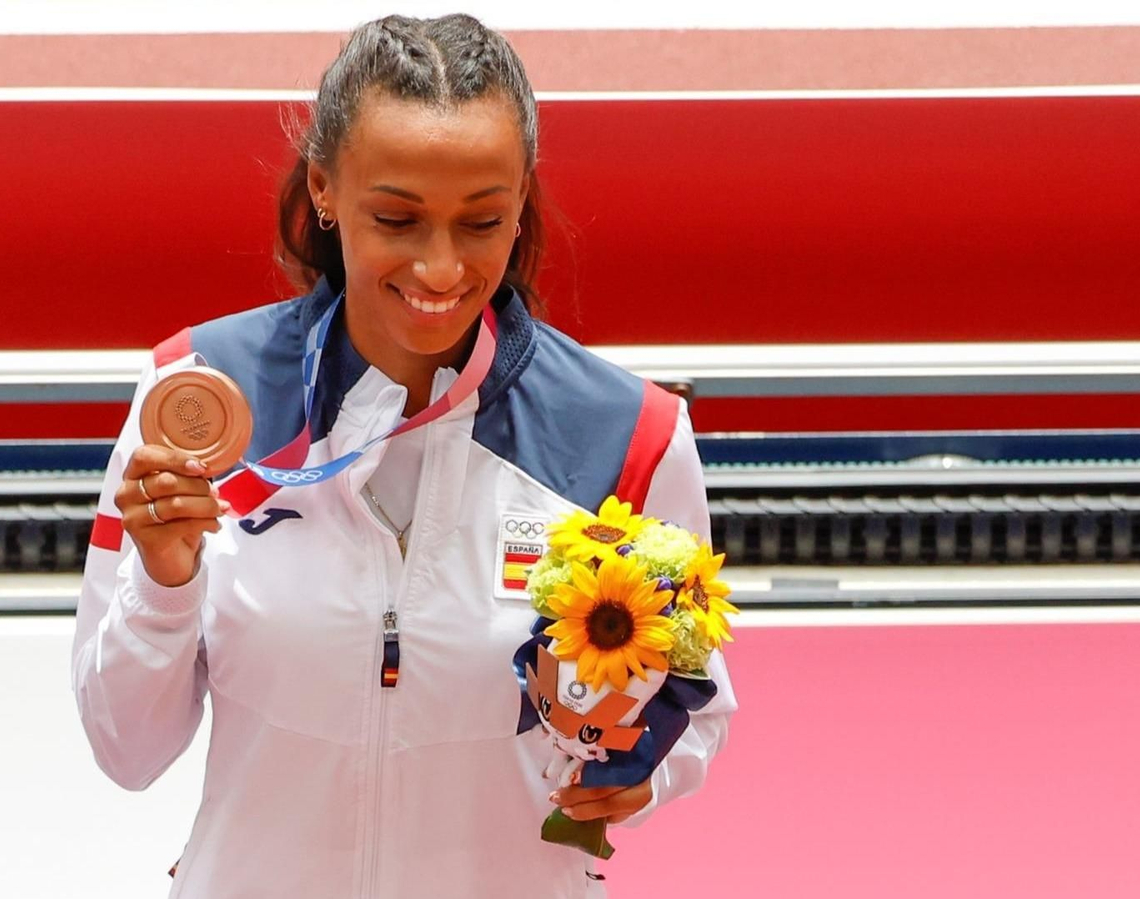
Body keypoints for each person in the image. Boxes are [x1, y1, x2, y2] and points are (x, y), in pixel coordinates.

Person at [71, 14, 735, 898]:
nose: (440, 266)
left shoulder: (628, 435)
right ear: (323, 191)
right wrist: (162, 583)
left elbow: (696, 709)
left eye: (482, 221)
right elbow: (126, 749)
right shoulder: (193, 401)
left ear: (521, 202)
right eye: (397, 217)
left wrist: (637, 775)